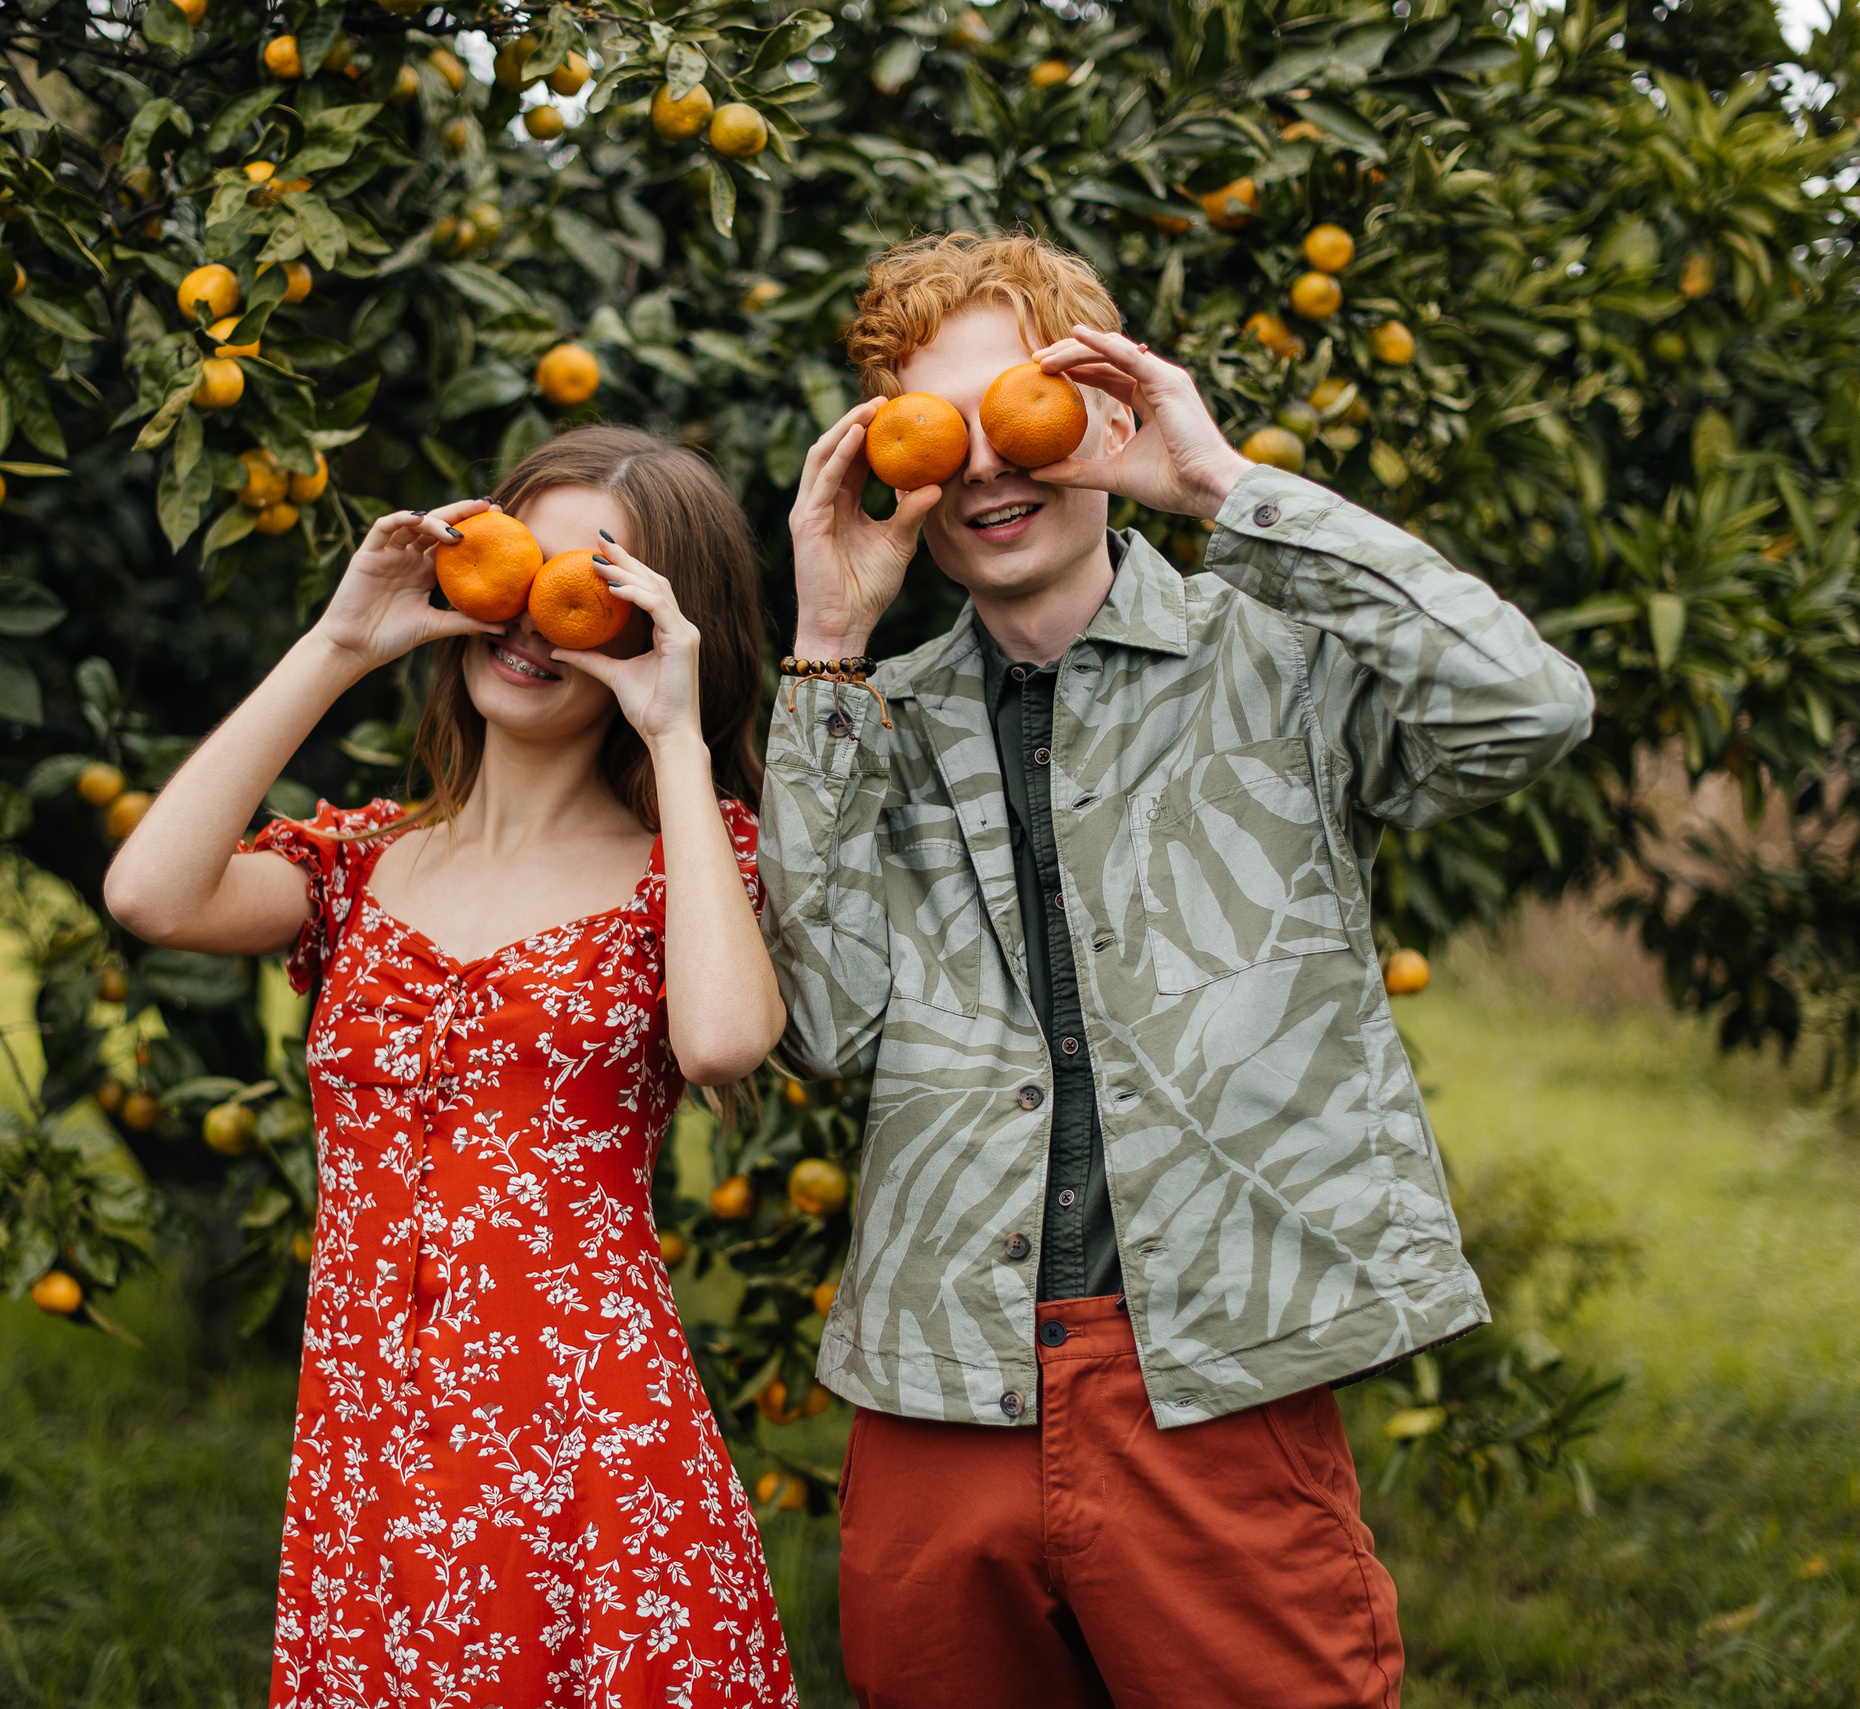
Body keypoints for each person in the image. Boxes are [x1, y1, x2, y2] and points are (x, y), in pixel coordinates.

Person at [762, 232, 1595, 1707]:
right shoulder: (862, 716)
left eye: (1021, 411)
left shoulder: (1275, 653)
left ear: (1104, 412)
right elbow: (825, 1026)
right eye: (936, 433)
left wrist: (1221, 486)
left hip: (1219, 1368)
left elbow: (1526, 707)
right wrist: (827, 637)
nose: (983, 472)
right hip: (939, 1378)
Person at [104, 426, 799, 1708]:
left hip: (587, 1453)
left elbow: (719, 1041)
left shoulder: (692, 863)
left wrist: (680, 738)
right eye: (524, 566)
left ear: (657, 626)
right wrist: (341, 642)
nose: (536, 617)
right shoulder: (360, 865)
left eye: (593, 589)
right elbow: (148, 891)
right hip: (369, 1450)